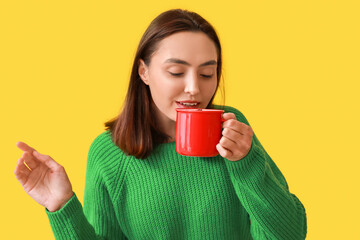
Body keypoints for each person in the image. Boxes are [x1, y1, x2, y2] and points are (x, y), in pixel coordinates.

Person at [14, 8, 307, 240]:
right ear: (144, 71)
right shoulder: (109, 153)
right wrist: (61, 205)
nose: (194, 88)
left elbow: (290, 234)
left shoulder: (233, 129)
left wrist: (246, 162)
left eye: (207, 74)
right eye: (177, 72)